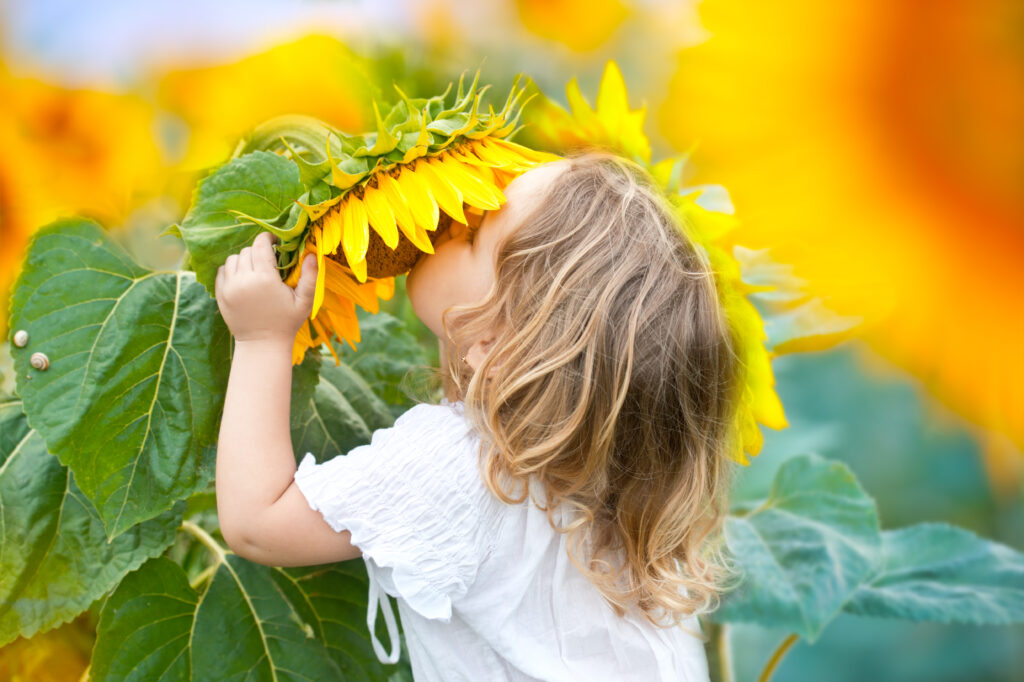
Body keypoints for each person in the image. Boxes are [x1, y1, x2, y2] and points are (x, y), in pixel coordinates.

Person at [213, 149, 745, 681]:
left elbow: (258, 522)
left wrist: (262, 338)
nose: (451, 218)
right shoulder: (624, 480)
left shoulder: (464, 470)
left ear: (493, 345)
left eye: (471, 234)